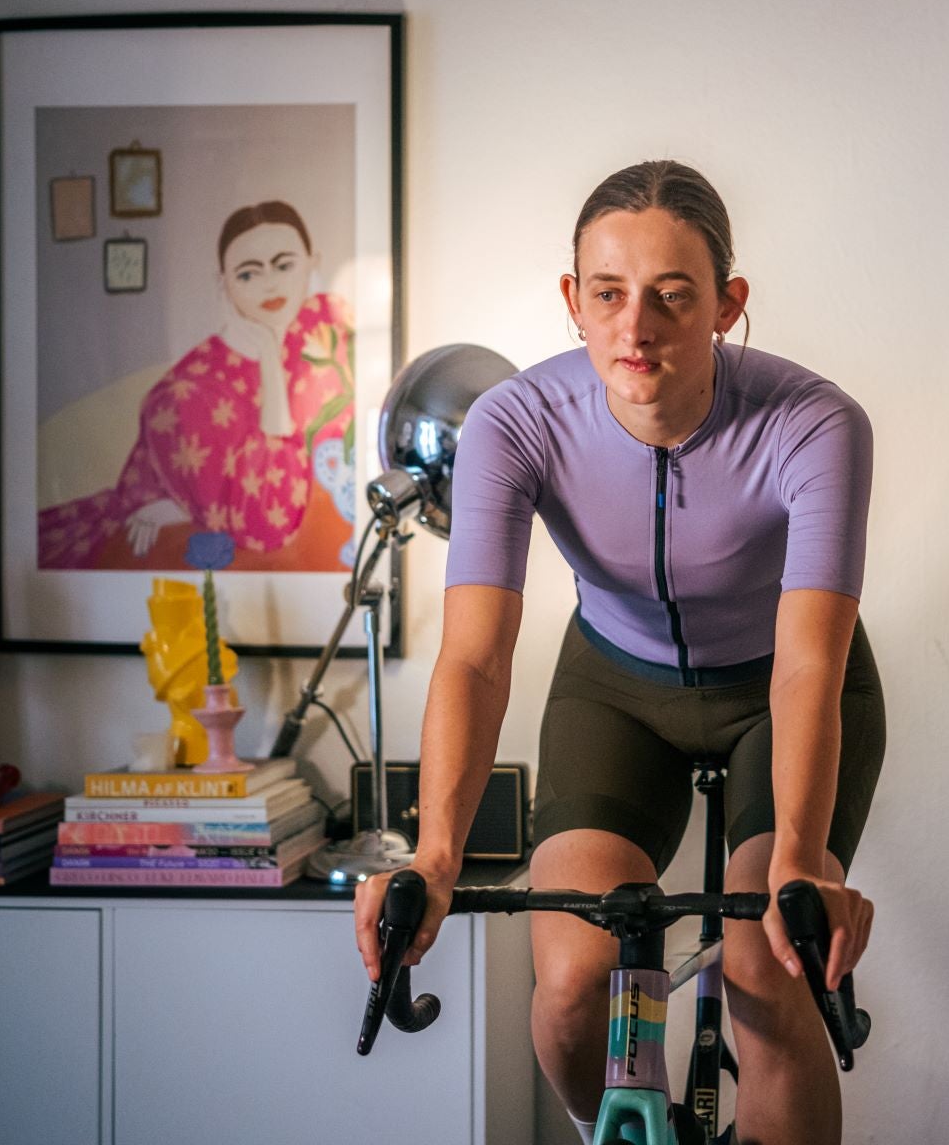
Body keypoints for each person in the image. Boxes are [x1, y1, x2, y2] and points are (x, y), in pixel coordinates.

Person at [353, 161, 885, 1144]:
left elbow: (808, 661)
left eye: (672, 297)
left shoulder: (815, 425)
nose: (635, 328)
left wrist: (802, 864)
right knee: (568, 989)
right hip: (615, 689)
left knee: (765, 972)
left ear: (728, 305)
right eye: (608, 294)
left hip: (782, 686)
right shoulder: (514, 424)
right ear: (574, 302)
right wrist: (433, 855)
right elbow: (474, 659)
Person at [38, 200, 354, 569]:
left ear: (312, 264)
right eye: (248, 275)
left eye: (284, 265)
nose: (269, 283)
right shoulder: (188, 393)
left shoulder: (327, 323)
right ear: (223, 283)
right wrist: (269, 354)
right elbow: (269, 523)